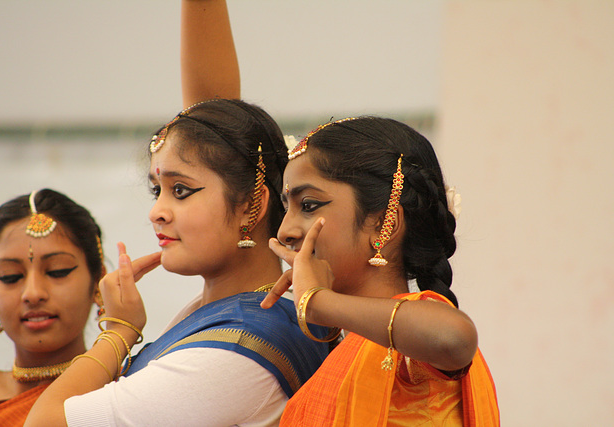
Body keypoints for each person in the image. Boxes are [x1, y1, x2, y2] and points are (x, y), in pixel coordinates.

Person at [25, 103, 330, 425]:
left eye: (180, 190)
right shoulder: (225, 312)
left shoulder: (237, 348)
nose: (156, 211)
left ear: (251, 204)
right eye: (157, 191)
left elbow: (44, 423)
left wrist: (118, 332)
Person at [261, 117, 500, 426]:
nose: (284, 231)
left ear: (383, 225)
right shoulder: (339, 345)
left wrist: (317, 302)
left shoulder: (409, 350)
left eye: (308, 205)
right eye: (286, 209)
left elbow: (454, 338)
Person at [0, 189, 106, 426]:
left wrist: (122, 334)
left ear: (97, 280)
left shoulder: (129, 390)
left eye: (58, 271)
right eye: (10, 276)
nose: (33, 294)